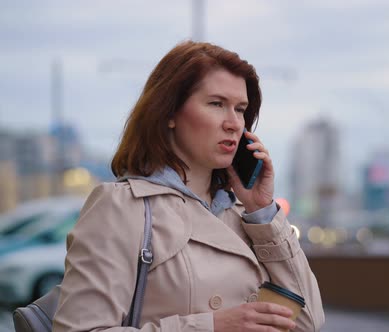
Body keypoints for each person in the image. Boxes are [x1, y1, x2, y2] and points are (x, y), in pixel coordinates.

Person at [53, 41, 325, 332]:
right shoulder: (122, 207)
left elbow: (308, 321)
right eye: (216, 104)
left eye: (241, 109)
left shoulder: (244, 216)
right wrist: (209, 327)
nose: (234, 123)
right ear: (169, 112)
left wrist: (261, 210)